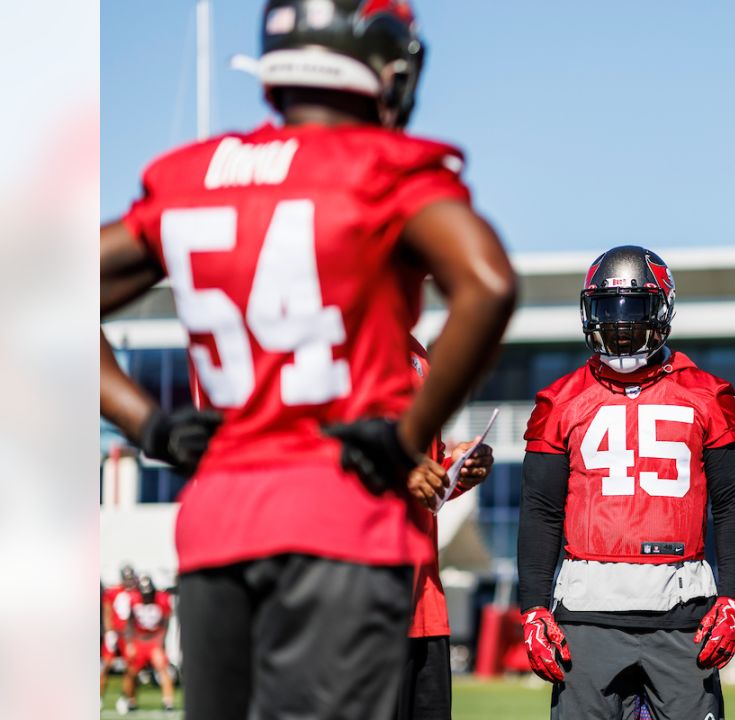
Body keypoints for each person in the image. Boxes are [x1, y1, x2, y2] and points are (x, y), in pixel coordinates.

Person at [98, 1, 518, 717]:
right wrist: (407, 435)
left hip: (218, 530)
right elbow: (488, 282)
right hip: (341, 527)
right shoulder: (380, 169)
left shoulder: (195, 176)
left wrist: (150, 427)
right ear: (382, 59)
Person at [518, 246, 735, 719]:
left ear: (663, 310)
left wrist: (731, 599)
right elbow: (540, 510)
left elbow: (734, 504)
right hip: (586, 613)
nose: (620, 325)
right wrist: (532, 608)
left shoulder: (707, 395)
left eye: (634, 311)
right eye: (608, 311)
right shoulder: (560, 402)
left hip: (682, 609)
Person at [398, 338, 494, 720]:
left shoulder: (417, 354)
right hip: (361, 611)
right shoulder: (338, 342)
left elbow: (427, 475)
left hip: (425, 606)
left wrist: (458, 469)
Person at [118, 575, 177, 715]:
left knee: (162, 667)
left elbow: (165, 622)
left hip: (153, 640)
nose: (147, 597)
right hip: (138, 639)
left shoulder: (161, 599)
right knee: (131, 671)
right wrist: (129, 643)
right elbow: (129, 623)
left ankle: (168, 702)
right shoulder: (133, 599)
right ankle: (130, 700)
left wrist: (161, 642)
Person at [101, 565, 138, 705]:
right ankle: (98, 696)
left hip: (129, 635)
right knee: (105, 665)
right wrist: (109, 632)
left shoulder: (136, 592)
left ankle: (127, 698)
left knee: (131, 667)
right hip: (115, 633)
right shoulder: (113, 592)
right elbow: (107, 612)